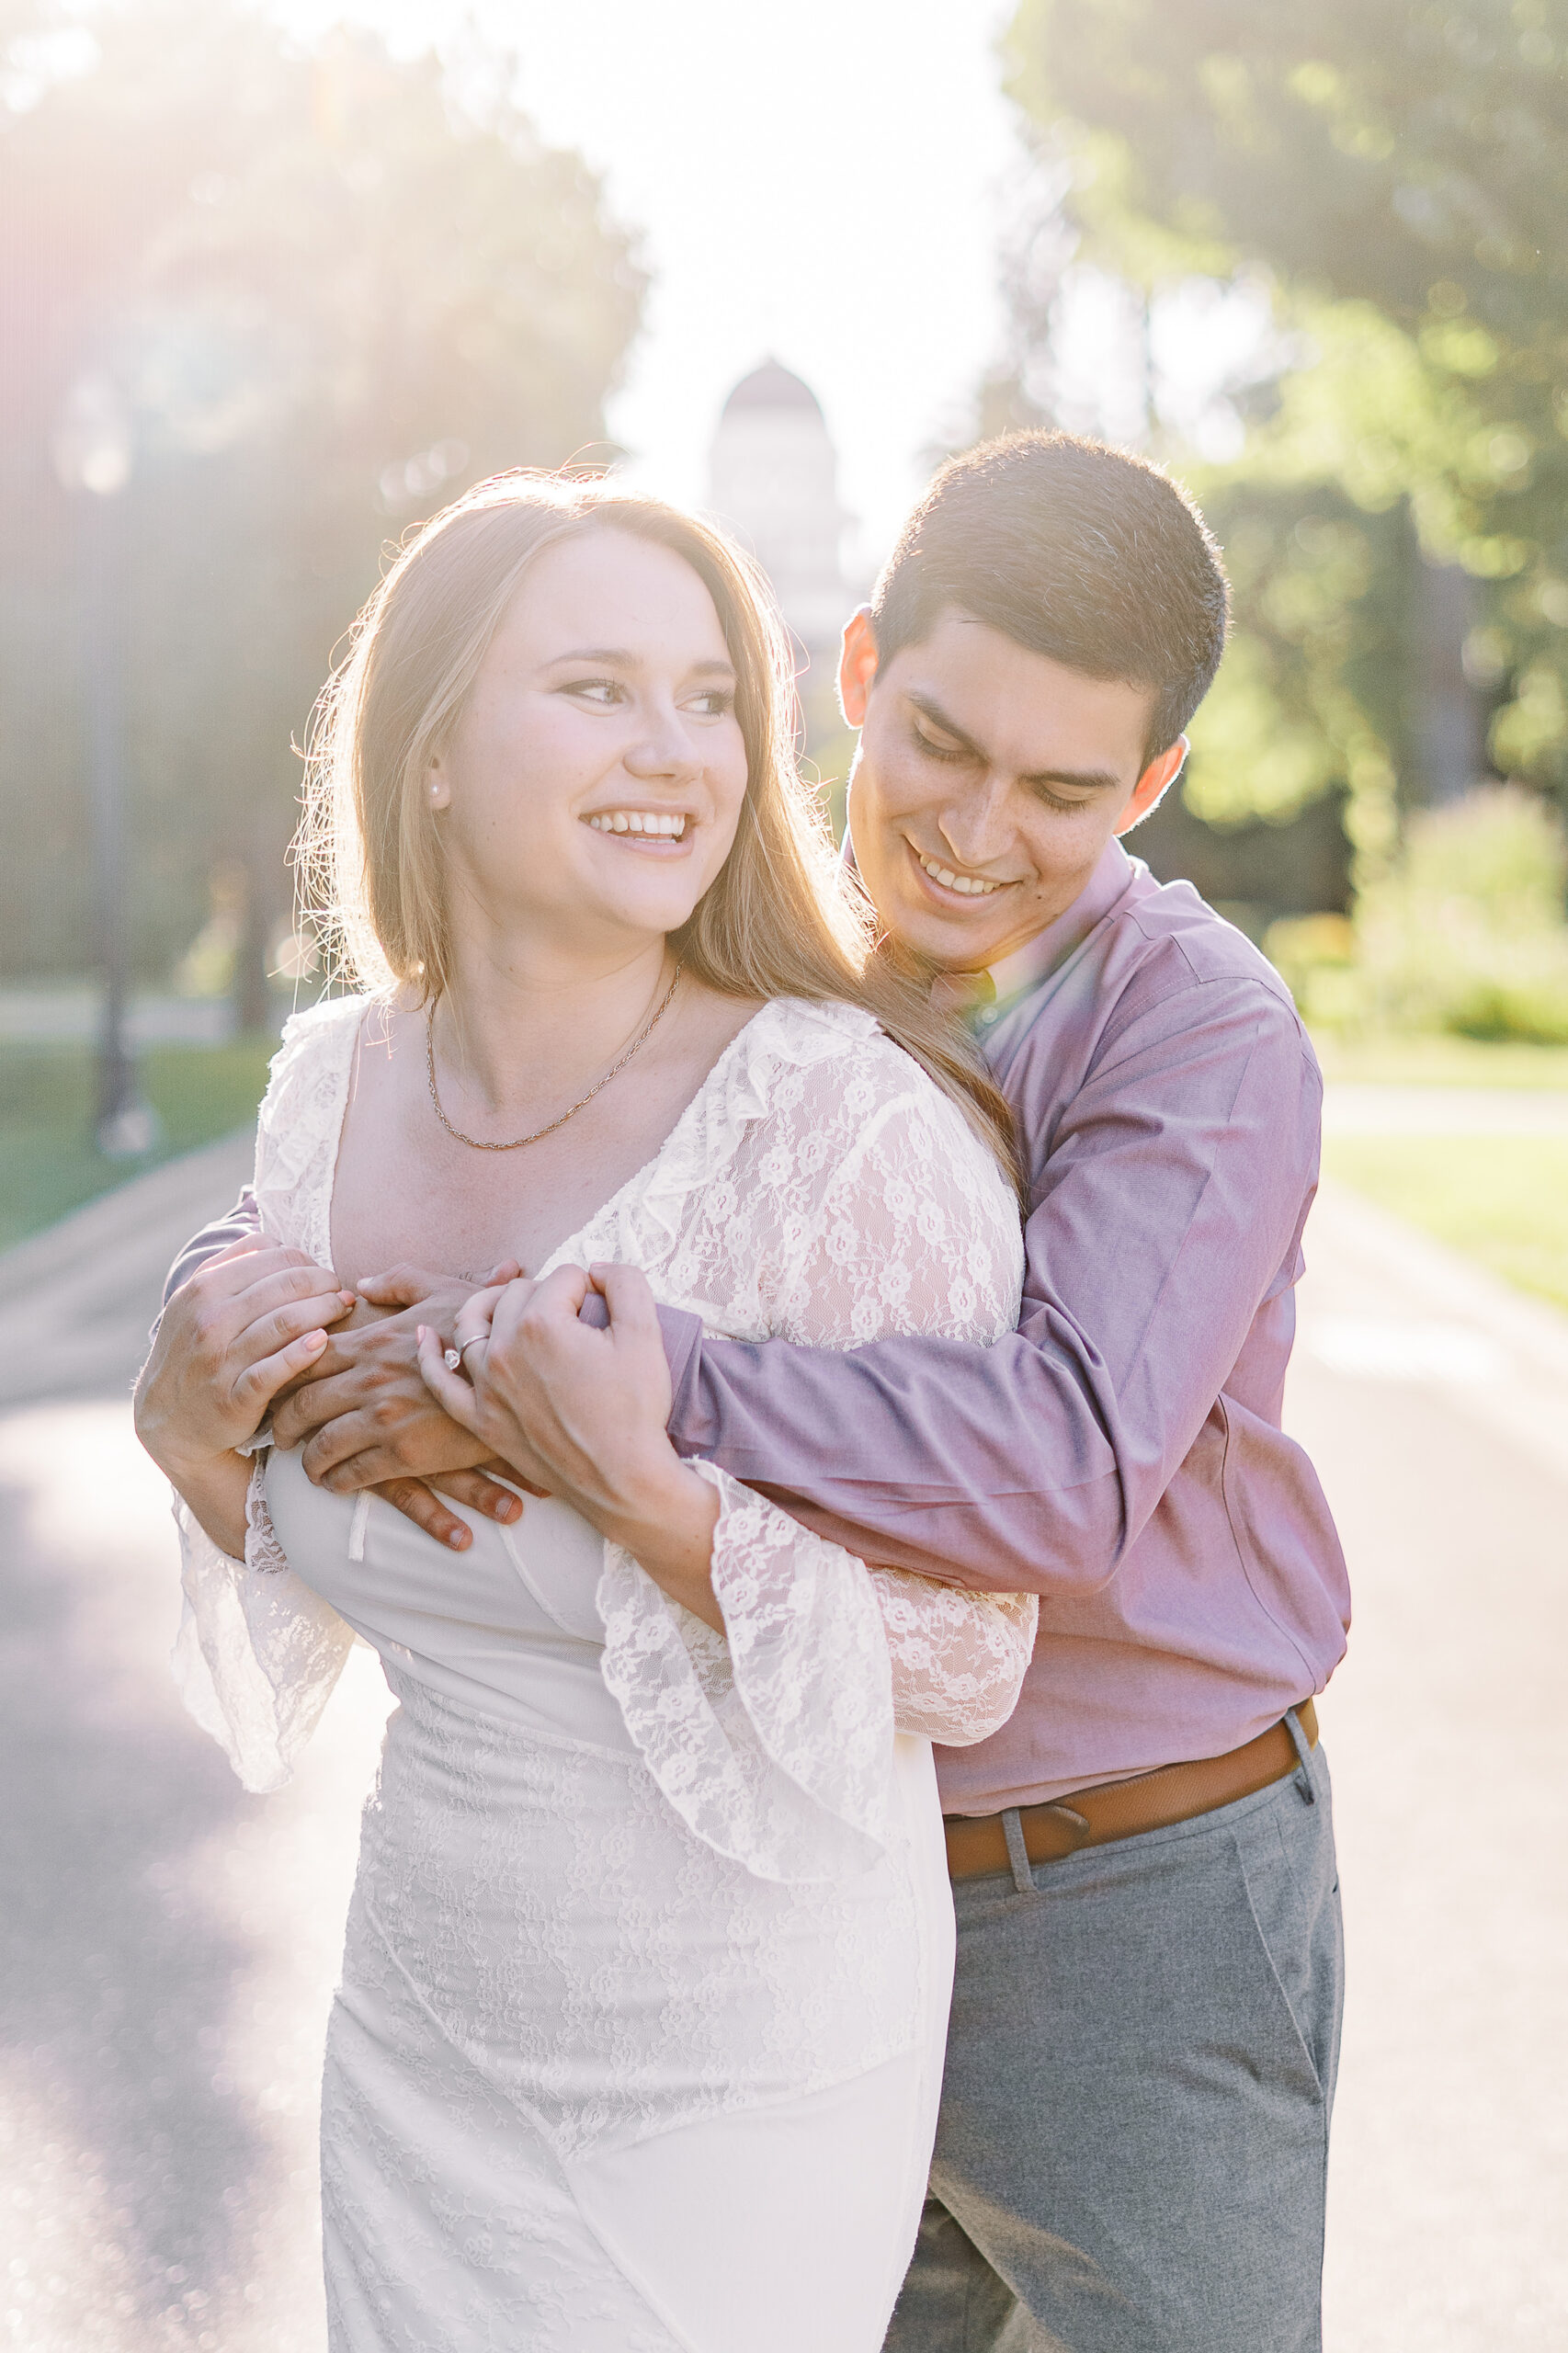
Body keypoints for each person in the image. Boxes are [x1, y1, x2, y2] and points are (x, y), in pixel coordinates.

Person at [157, 431, 1351, 2353]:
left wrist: (574, 1368)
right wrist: (206, 1300)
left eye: (1059, 791)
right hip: (784, 1868)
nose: (971, 828)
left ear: (1146, 787)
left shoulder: (1196, 1036)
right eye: (940, 745)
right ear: (861, 673)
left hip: (1120, 1885)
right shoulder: (766, 930)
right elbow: (434, 1129)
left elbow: (1057, 1468)